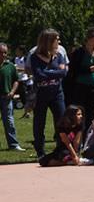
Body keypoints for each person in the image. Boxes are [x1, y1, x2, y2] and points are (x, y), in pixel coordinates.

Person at [30, 29, 68, 157]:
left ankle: (61, 149)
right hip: (41, 94)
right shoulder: (35, 57)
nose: (59, 41)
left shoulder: (59, 55)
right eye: (56, 39)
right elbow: (39, 75)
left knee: (62, 121)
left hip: (57, 93)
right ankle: (40, 151)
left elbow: (64, 73)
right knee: (39, 123)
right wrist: (55, 72)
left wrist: (48, 73)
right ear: (49, 41)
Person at [66, 27, 94, 129]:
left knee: (92, 114)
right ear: (88, 39)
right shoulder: (79, 52)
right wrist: (90, 69)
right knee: (80, 113)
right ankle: (78, 136)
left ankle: (89, 138)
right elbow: (73, 70)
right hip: (81, 87)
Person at [0, 43, 24, 151]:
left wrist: (12, 92)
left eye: (5, 52)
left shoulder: (10, 66)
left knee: (9, 122)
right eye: (1, 52)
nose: (3, 54)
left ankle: (13, 145)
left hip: (6, 97)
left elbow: (16, 80)